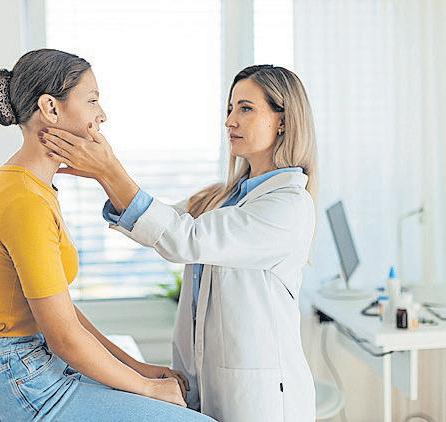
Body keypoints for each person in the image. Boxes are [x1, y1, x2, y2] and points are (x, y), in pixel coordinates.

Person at [40, 64, 318, 421]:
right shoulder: (222, 197)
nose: (230, 121)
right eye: (230, 108)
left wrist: (109, 169)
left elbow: (184, 238)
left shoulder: (288, 206)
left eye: (246, 108)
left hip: (263, 400)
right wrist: (103, 175)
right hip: (206, 382)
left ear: (283, 121)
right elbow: (163, 224)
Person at [0, 48, 214, 422]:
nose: (102, 114)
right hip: (15, 385)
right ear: (51, 108)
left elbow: (62, 318)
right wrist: (147, 388)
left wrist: (138, 369)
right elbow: (64, 338)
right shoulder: (24, 201)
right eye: (92, 100)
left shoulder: (30, 188)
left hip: (26, 371)